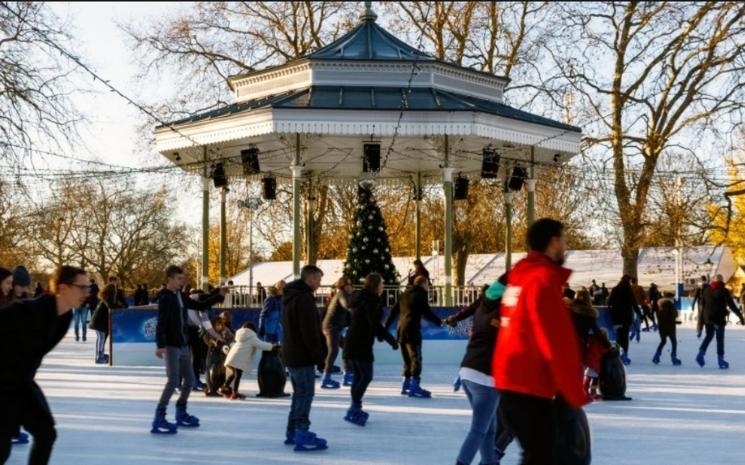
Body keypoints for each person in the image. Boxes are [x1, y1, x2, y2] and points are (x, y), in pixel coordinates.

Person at [493, 218, 587, 465]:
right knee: (542, 456)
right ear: (554, 242)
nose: (565, 246)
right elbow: (555, 340)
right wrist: (574, 391)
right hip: (528, 383)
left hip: (511, 379)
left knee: (537, 454)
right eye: (564, 240)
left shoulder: (520, 276)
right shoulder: (542, 279)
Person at [0, 266, 90, 465]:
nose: (86, 293)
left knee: (46, 434)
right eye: (82, 288)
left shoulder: (65, 317)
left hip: (21, 383)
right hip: (3, 384)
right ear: (63, 288)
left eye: (88, 288)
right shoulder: (31, 310)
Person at [151, 265, 226, 435]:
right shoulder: (165, 298)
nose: (182, 281)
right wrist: (160, 345)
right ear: (169, 278)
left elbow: (200, 304)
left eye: (182, 279)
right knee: (172, 381)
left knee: (190, 380)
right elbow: (161, 323)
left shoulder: (180, 296)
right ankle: (159, 417)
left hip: (183, 344)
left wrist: (218, 294)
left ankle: (181, 411)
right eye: (179, 278)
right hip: (171, 345)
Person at [455, 274, 507, 465]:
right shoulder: (504, 314)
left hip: (468, 372)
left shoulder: (482, 308)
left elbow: (498, 285)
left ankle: (488, 462)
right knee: (478, 430)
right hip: (486, 378)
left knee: (489, 427)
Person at [281, 265, 328, 451]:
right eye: (318, 280)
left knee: (299, 394)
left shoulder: (290, 296)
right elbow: (310, 332)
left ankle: (292, 431)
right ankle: (301, 431)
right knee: (305, 394)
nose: (319, 283)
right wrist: (319, 357)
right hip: (302, 355)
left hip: (292, 353)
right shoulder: (304, 299)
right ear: (309, 279)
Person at [342, 273, 398, 426]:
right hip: (360, 343)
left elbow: (365, 321)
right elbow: (374, 323)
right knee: (366, 376)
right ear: (375, 285)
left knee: (359, 376)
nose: (383, 286)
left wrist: (378, 335)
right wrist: (391, 340)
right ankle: (354, 408)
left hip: (352, 340)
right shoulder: (371, 300)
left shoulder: (360, 297)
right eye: (381, 283)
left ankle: (355, 407)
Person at [384, 275, 443, 398]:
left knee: (407, 359)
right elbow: (427, 312)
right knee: (416, 358)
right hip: (412, 330)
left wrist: (385, 327)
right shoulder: (421, 294)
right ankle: (414, 386)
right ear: (423, 284)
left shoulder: (404, 294)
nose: (428, 287)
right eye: (427, 284)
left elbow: (393, 313)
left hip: (400, 330)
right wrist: (440, 322)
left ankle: (405, 384)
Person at [695, 274, 744, 369]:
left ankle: (700, 354)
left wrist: (700, 326)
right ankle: (720, 361)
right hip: (719, 319)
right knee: (720, 339)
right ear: (721, 281)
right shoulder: (724, 291)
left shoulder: (706, 290)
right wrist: (741, 316)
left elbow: (701, 308)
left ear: (713, 281)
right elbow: (732, 306)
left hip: (708, 319)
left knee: (709, 336)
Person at [570, 289, 611, 401]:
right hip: (579, 343)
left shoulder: (568, 309)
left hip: (565, 342)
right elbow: (597, 332)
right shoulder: (587, 313)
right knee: (579, 368)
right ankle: (578, 392)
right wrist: (608, 345)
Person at [223, 321, 274, 400]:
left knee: (233, 374)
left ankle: (224, 387)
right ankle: (234, 392)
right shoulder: (251, 336)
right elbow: (261, 345)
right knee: (237, 375)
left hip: (231, 357)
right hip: (238, 360)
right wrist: (272, 346)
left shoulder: (239, 335)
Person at [321, 276, 354, 389]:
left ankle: (347, 374)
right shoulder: (341, 294)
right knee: (333, 351)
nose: (351, 287)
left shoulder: (344, 294)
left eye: (351, 285)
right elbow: (346, 305)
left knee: (346, 347)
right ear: (344, 286)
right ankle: (326, 378)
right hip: (331, 327)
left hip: (334, 327)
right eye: (349, 285)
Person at [607, 275, 637, 365]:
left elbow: (609, 303)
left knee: (618, 338)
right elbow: (634, 304)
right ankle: (624, 355)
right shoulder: (629, 290)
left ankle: (617, 355)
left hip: (617, 318)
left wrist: (613, 310)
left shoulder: (615, 289)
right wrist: (641, 315)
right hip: (626, 318)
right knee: (625, 338)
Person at [203, 316, 234, 397]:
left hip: (222, 354)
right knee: (210, 370)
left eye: (220, 325)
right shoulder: (211, 331)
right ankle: (211, 388)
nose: (219, 327)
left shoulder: (226, 331)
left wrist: (226, 343)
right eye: (217, 325)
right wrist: (212, 342)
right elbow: (206, 338)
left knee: (221, 372)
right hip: (212, 353)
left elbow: (232, 338)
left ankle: (219, 387)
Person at [89, 284, 116, 364]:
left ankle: (100, 355)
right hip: (98, 322)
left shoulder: (105, 297)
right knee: (101, 338)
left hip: (98, 321)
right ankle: (99, 356)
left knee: (101, 338)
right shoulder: (108, 298)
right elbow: (111, 306)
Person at [653, 291, 682, 366]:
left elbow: (662, 316)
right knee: (674, 342)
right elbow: (674, 315)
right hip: (670, 327)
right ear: (670, 298)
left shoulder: (659, 304)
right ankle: (673, 357)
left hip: (661, 326)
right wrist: (676, 320)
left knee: (663, 341)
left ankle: (656, 355)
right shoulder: (670, 304)